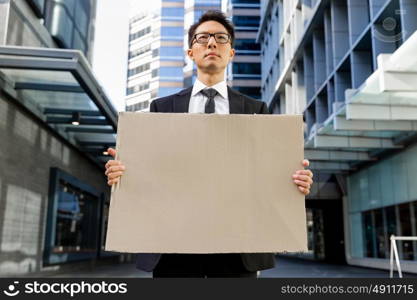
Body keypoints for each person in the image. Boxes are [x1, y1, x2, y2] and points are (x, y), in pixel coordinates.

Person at [104, 10, 313, 278]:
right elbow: (154, 169)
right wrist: (123, 173)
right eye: (202, 38)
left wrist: (294, 180)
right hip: (173, 245)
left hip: (237, 248)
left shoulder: (256, 109)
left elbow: (265, 173)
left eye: (220, 38)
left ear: (231, 53)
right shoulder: (162, 107)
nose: (212, 43)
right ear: (191, 53)